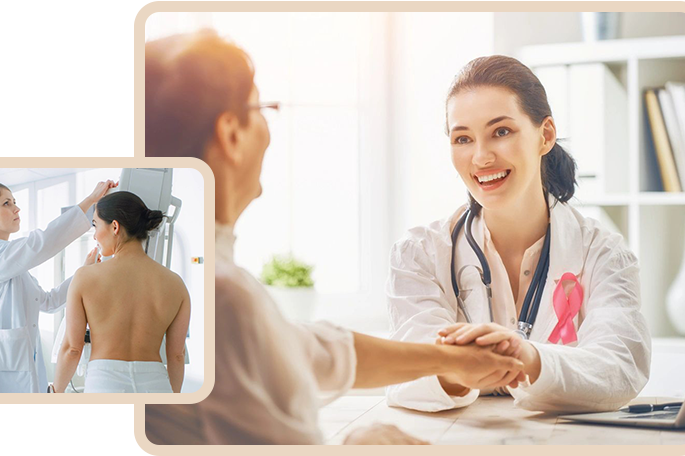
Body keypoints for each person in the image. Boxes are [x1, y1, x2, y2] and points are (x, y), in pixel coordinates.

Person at [144, 31, 525, 445]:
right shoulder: (222, 296)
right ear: (231, 134)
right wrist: (363, 443)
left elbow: (305, 348)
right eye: (262, 109)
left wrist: (448, 360)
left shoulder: (179, 268)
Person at [385, 55, 651, 413]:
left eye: (501, 131)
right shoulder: (419, 253)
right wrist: (457, 368)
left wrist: (528, 358)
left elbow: (620, 367)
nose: (480, 157)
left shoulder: (603, 254)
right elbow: (404, 370)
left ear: (545, 136)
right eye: (462, 138)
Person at [0, 180, 117, 393]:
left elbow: (49, 302)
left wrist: (83, 271)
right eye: (6, 203)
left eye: (14, 202)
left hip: (22, 368)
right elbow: (39, 243)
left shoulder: (12, 263)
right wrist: (90, 200)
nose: (16, 208)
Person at [52, 191, 190, 393]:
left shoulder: (85, 277)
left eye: (95, 225)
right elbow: (177, 355)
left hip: (105, 383)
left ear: (114, 226)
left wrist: (55, 392)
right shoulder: (176, 284)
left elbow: (72, 349)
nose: (95, 235)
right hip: (156, 384)